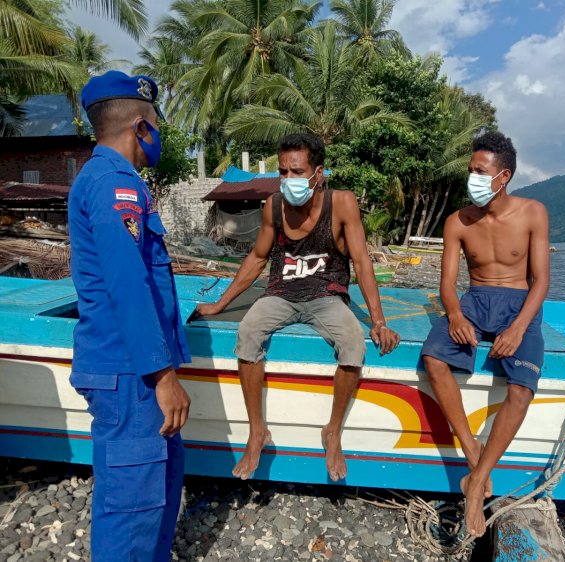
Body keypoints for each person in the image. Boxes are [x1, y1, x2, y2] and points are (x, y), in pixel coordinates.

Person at [195, 133, 400, 482]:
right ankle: (257, 431)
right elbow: (258, 257)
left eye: (297, 171)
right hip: (281, 293)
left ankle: (332, 431)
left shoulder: (342, 203)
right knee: (247, 333)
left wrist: (378, 321)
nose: (289, 180)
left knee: (352, 343)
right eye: (283, 172)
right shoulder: (273, 206)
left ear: (317, 173)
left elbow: (363, 262)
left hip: (326, 294)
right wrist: (219, 304)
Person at [68, 71, 191, 561]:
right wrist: (162, 376)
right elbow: (127, 285)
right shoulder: (112, 184)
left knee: (156, 493)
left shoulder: (112, 181)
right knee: (132, 507)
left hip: (134, 369)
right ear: (141, 127)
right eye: (156, 124)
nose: (158, 134)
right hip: (130, 374)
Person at [420, 131, 549, 537]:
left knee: (522, 387)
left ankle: (478, 480)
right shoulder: (457, 221)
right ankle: (471, 449)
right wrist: (455, 314)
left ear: (503, 176)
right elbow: (446, 283)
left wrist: (517, 327)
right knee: (433, 359)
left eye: (480, 171)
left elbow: (541, 281)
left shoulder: (533, 213)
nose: (472, 177)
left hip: (518, 302)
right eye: (470, 169)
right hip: (475, 301)